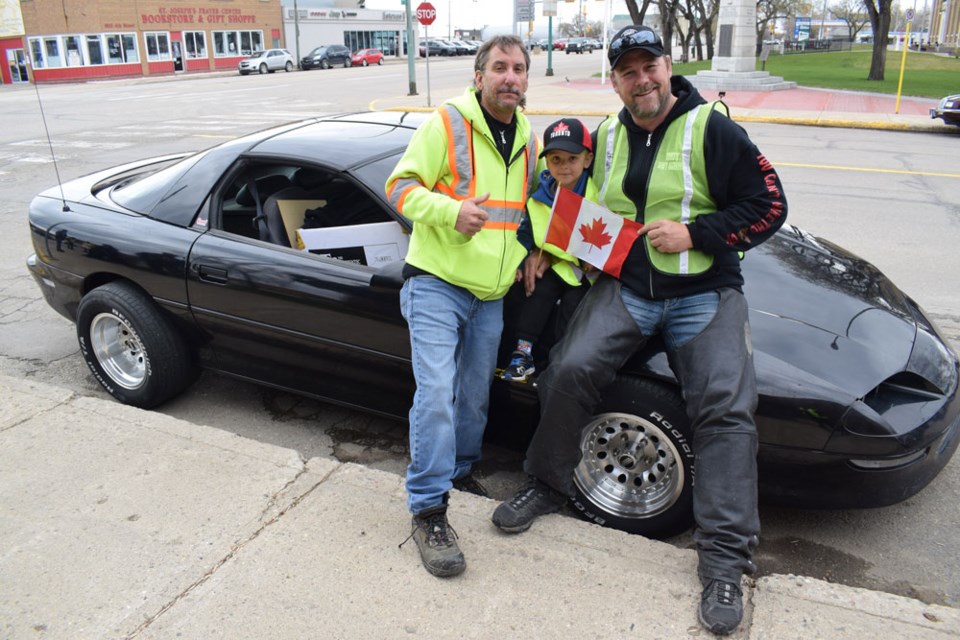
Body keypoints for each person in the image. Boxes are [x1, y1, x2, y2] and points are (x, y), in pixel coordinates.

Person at [491, 25, 788, 635]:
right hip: (629, 289)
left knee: (725, 410)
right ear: (617, 81)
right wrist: (543, 244)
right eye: (627, 71)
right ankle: (547, 485)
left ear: (667, 65)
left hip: (702, 291)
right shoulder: (606, 135)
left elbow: (771, 206)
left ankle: (725, 561)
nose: (640, 80)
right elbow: (563, 189)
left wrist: (699, 234)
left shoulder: (713, 129)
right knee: (568, 370)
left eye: (648, 66)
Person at [385, 35, 539, 578]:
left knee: (474, 397)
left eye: (519, 69)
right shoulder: (448, 122)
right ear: (479, 76)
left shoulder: (526, 135)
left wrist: (533, 250)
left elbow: (530, 209)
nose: (510, 77)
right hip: (436, 284)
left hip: (490, 294)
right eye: (499, 67)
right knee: (436, 398)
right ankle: (428, 508)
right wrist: (450, 211)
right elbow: (399, 189)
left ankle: (461, 469)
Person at [501, 117, 597, 383]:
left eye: (572, 159)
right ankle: (522, 355)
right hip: (556, 268)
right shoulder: (540, 196)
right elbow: (526, 234)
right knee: (535, 291)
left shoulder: (596, 195)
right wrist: (520, 262)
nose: (564, 167)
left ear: (587, 160)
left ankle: (559, 366)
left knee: (571, 311)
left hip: (586, 275)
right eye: (556, 159)